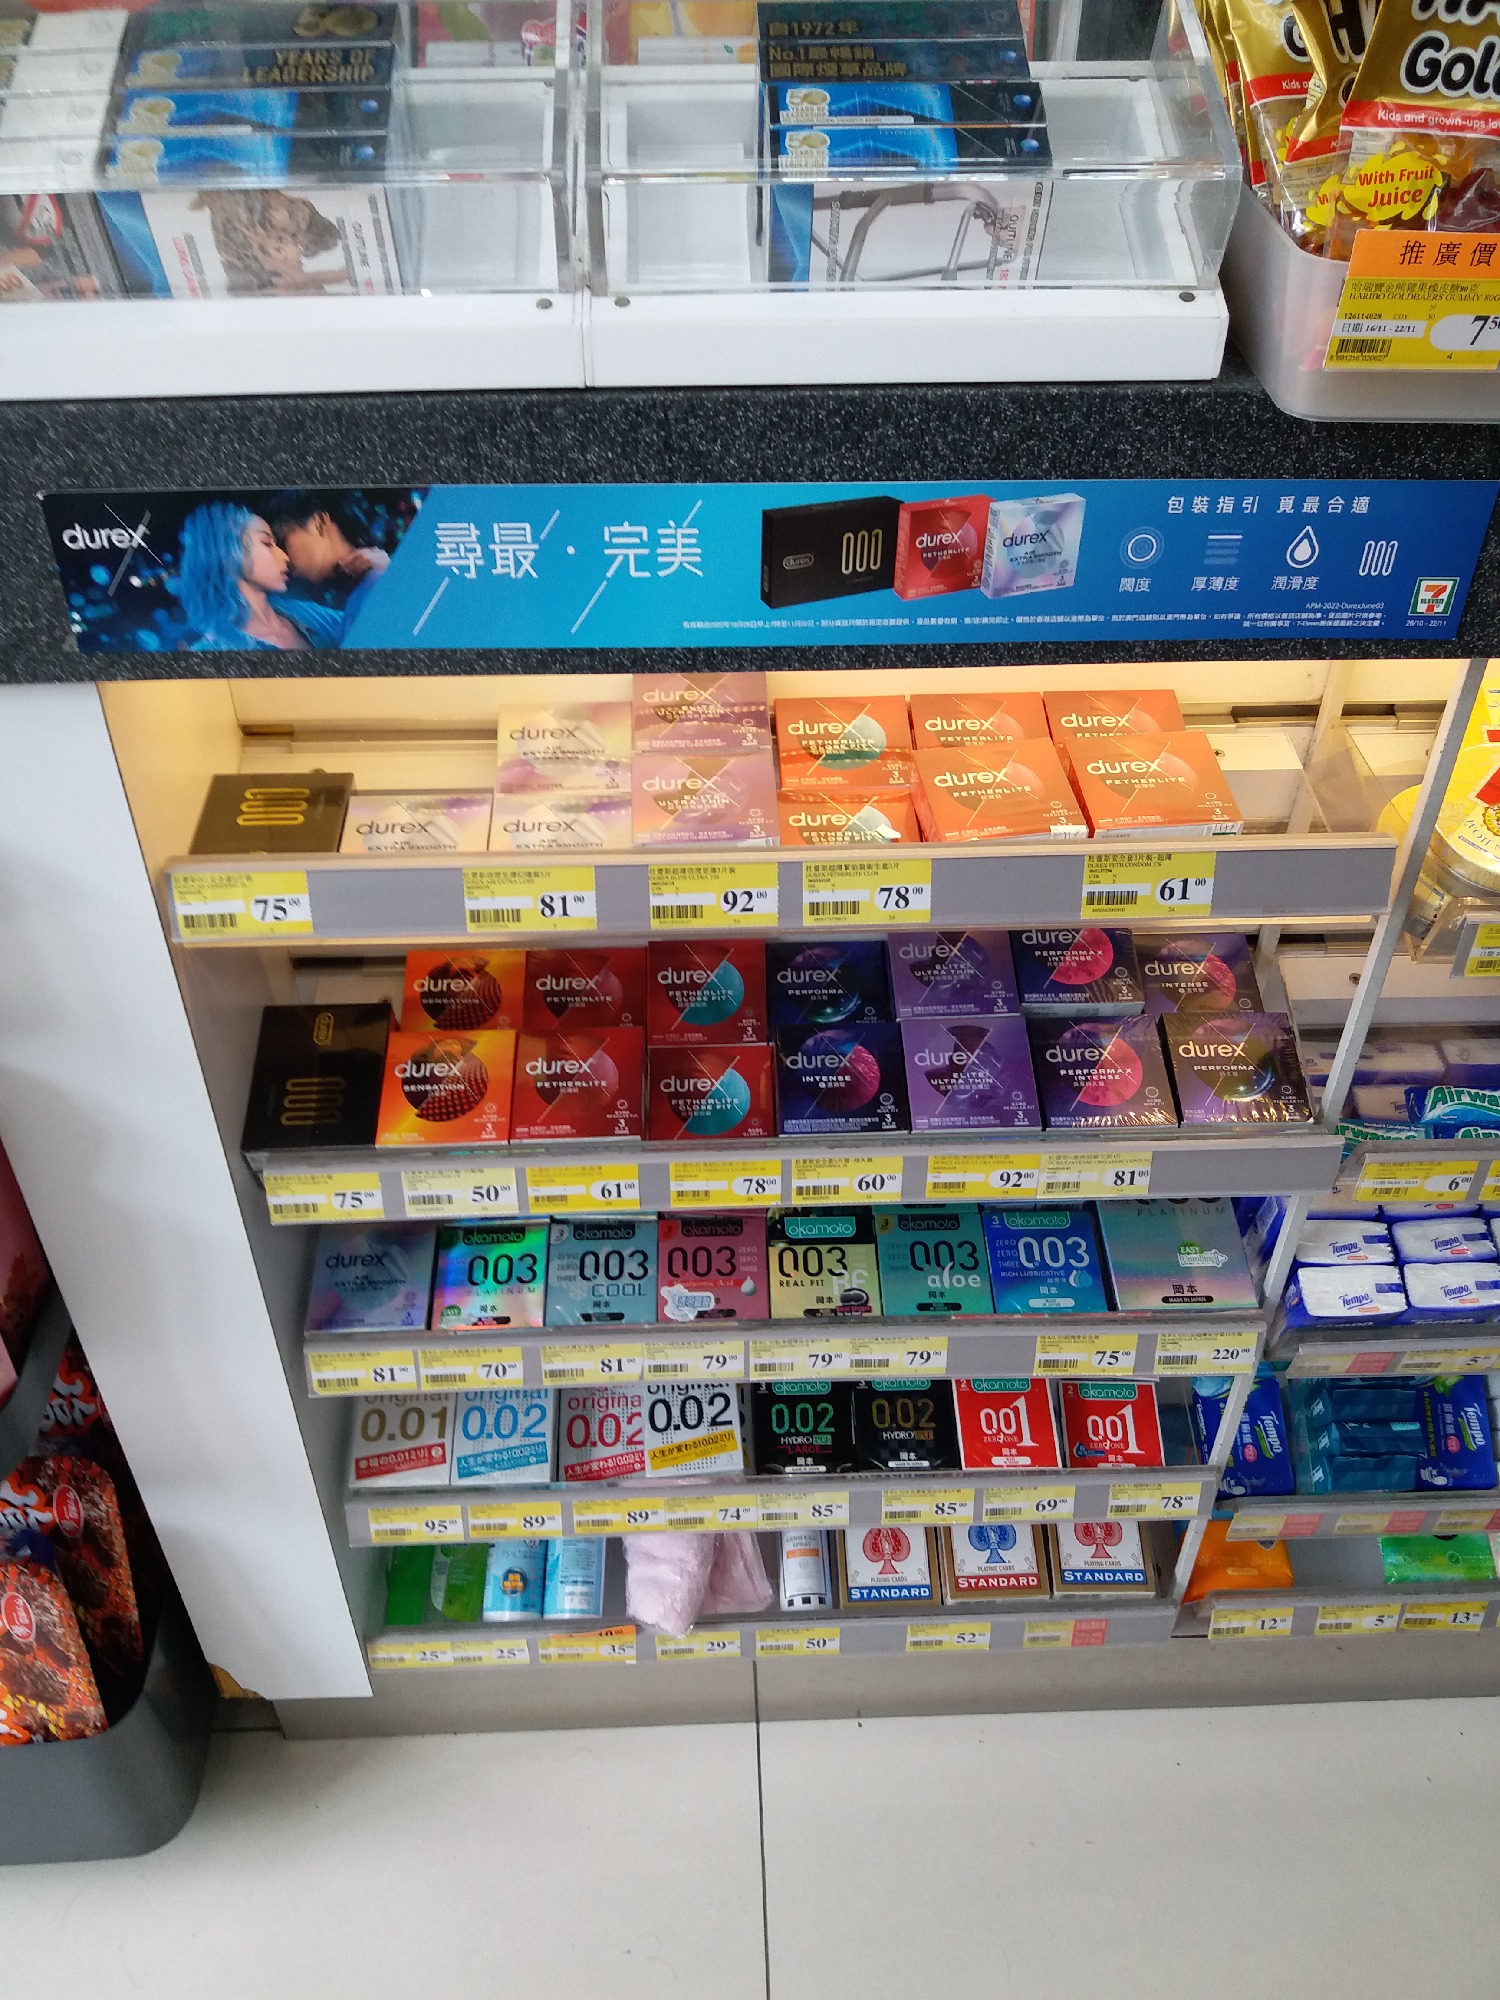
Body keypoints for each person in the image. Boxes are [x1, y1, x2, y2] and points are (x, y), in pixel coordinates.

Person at [177, 502, 344, 651]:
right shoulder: (210, 650)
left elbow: (356, 626)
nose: (285, 557)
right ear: (228, 553)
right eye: (267, 543)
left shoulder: (304, 612)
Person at [267, 489, 391, 630]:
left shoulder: (377, 582)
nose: (282, 556)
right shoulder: (340, 605)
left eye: (283, 543)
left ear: (318, 523)